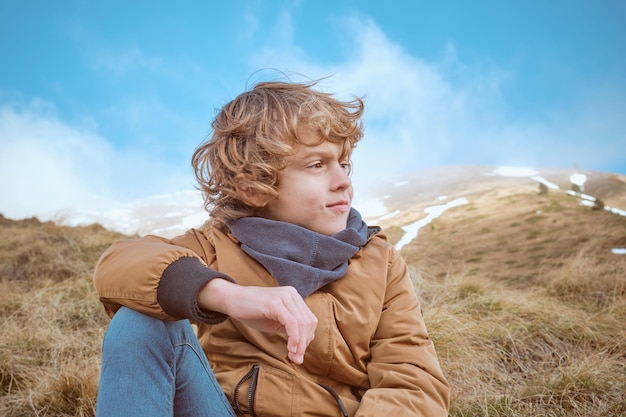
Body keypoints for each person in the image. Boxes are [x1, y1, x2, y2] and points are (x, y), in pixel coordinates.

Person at [93, 78, 450, 417]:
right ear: (254, 186)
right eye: (316, 165)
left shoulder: (381, 263)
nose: (343, 181)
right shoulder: (214, 246)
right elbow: (118, 265)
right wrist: (227, 295)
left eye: (343, 164)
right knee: (141, 324)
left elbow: (410, 381)